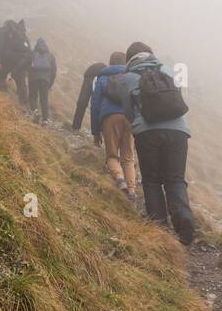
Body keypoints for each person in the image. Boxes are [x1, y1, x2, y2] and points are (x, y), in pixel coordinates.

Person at [116, 41, 194, 246]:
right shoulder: (167, 69)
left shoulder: (128, 77)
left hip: (147, 133)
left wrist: (139, 125)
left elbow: (127, 109)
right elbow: (178, 99)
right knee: (175, 179)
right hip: (178, 131)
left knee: (151, 180)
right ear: (150, 54)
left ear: (129, 58)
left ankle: (159, 227)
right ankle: (184, 220)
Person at [90, 51, 136, 201]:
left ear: (110, 62)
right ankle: (131, 192)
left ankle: (119, 179)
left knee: (111, 155)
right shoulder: (132, 77)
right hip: (129, 118)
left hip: (109, 118)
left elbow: (95, 105)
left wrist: (96, 131)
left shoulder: (102, 78)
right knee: (128, 158)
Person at [0, 19, 31, 104]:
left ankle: (3, 95)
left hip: (8, 58)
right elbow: (29, 49)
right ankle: (24, 103)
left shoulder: (4, 30)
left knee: (1, 75)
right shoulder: (21, 33)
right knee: (21, 82)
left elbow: (0, 45)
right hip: (22, 59)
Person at [26, 37, 57, 123]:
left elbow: (25, 64)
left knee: (32, 96)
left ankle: (35, 111)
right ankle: (45, 119)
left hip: (33, 79)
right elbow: (54, 72)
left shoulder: (33, 54)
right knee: (44, 99)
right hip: (45, 80)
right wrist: (50, 83)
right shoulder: (50, 56)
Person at [72, 61, 110, 132]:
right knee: (86, 103)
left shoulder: (102, 70)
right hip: (90, 76)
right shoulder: (106, 73)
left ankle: (76, 126)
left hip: (89, 76)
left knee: (82, 103)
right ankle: (97, 131)